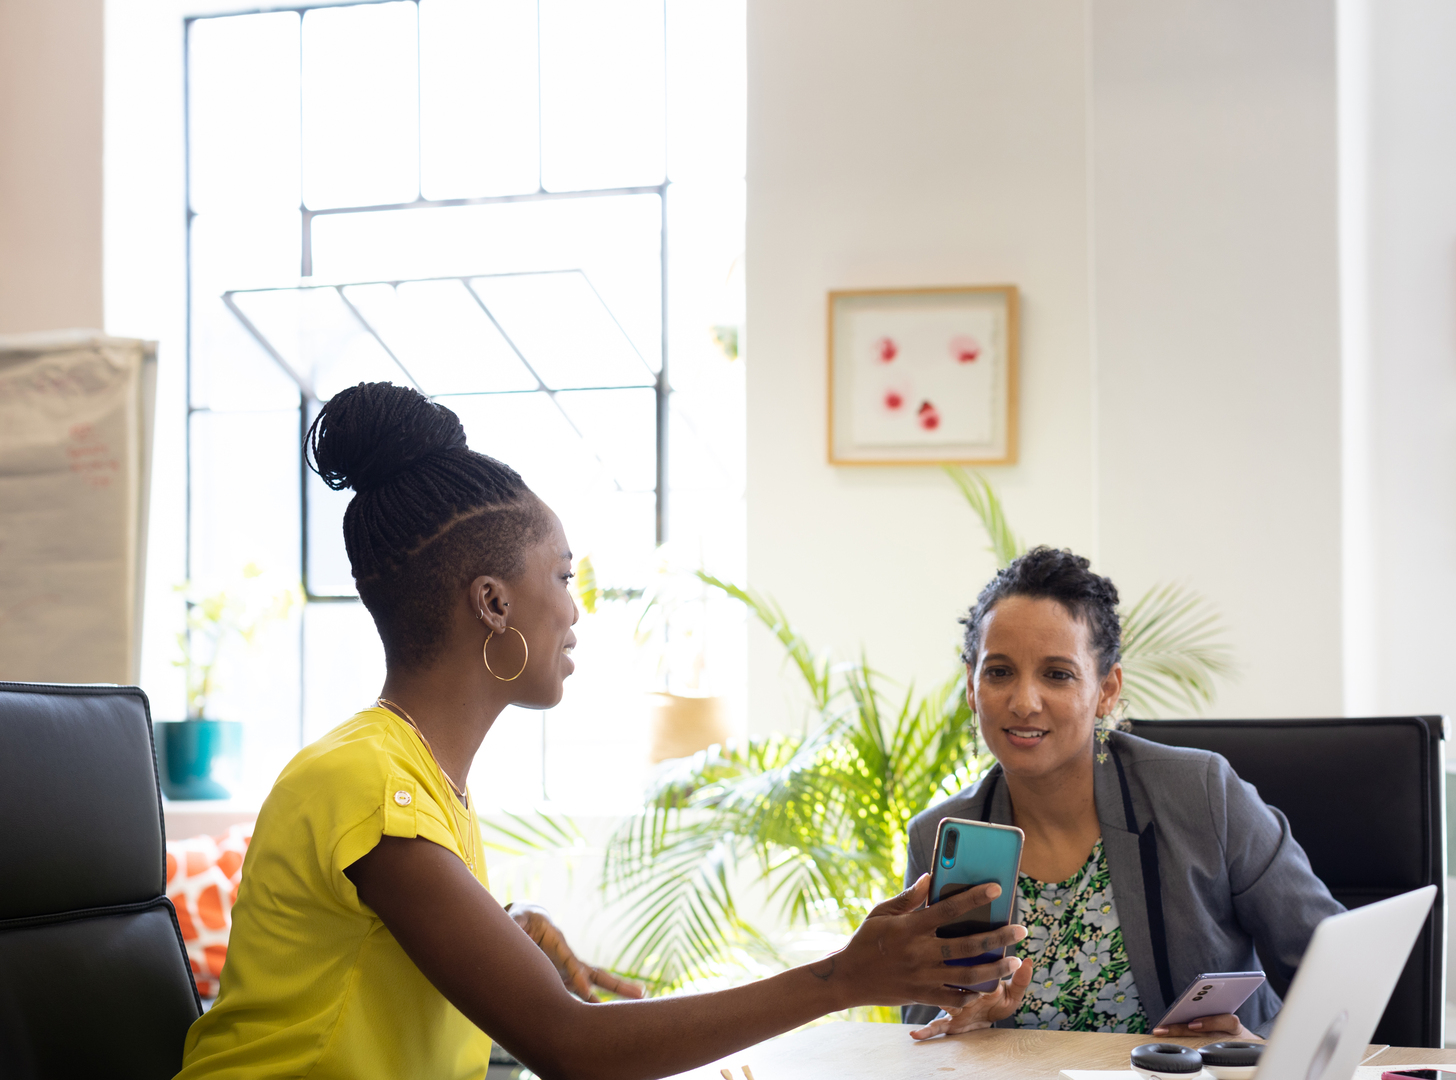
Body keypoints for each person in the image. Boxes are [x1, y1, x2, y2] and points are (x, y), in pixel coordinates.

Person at [175, 383, 1025, 1080]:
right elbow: (569, 1046)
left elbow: (370, 961)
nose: (575, 610)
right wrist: (847, 977)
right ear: (493, 601)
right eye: (563, 575)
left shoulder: (409, 776)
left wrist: (502, 924)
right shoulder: (366, 781)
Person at [902, 547, 1344, 1041]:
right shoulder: (938, 838)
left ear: (1107, 689)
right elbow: (923, 1028)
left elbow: (1338, 970)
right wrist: (963, 1024)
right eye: (999, 672)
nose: (1024, 702)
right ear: (970, 684)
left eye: (1057, 674)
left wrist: (1260, 1056)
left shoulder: (1202, 794)